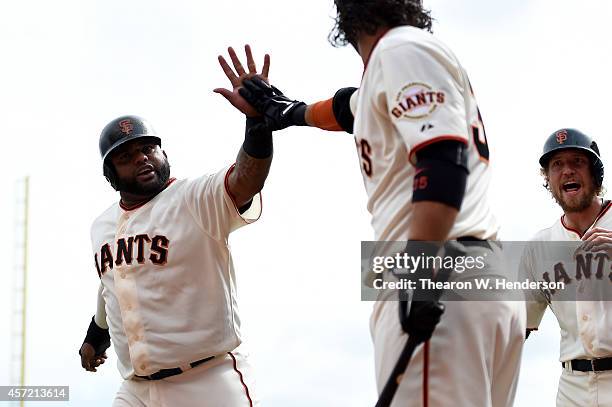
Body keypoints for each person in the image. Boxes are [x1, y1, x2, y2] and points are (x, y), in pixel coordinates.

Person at [218, 1, 525, 406]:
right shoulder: (396, 64)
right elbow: (345, 108)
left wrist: (419, 273)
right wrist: (284, 110)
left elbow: (442, 160)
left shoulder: (399, 50)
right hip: (477, 275)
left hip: (439, 274)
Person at [78, 46, 272, 407]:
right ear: (110, 176)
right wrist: (96, 334)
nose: (141, 158)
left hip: (208, 380)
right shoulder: (101, 226)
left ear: (164, 153)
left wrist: (258, 125)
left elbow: (246, 180)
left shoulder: (195, 197)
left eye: (148, 149)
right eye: (126, 156)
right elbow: (114, 284)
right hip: (137, 388)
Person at [522, 128, 612, 406]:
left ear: (595, 173)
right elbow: (516, 328)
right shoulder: (539, 246)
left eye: (577, 162)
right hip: (572, 388)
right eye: (557, 165)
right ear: (548, 179)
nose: (567, 171)